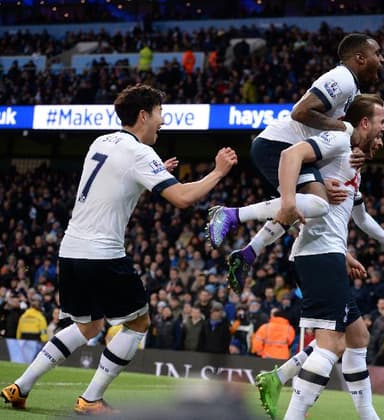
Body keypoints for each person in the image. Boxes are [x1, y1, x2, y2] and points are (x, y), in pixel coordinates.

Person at [1, 84, 238, 414]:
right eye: (159, 113)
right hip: (102, 254)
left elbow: (114, 186)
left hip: (70, 250)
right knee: (139, 323)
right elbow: (182, 198)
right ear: (144, 115)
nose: (163, 120)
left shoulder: (102, 141)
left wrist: (152, 177)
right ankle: (91, 398)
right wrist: (218, 172)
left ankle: (20, 387)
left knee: (89, 326)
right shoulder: (140, 153)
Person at [253, 95, 384, 420]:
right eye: (381, 125)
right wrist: (298, 195)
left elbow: (361, 216)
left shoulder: (352, 163)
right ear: (365, 124)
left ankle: (362, 412)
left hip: (329, 253)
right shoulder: (337, 147)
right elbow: (293, 157)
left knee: (358, 336)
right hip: (317, 254)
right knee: (332, 344)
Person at [206, 32, 384, 294]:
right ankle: (231, 215)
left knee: (307, 210)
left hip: (292, 149)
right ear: (360, 58)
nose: (381, 60)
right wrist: (344, 127)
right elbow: (300, 111)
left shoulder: (353, 87)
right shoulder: (343, 78)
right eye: (377, 54)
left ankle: (248, 253)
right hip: (278, 146)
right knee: (315, 204)